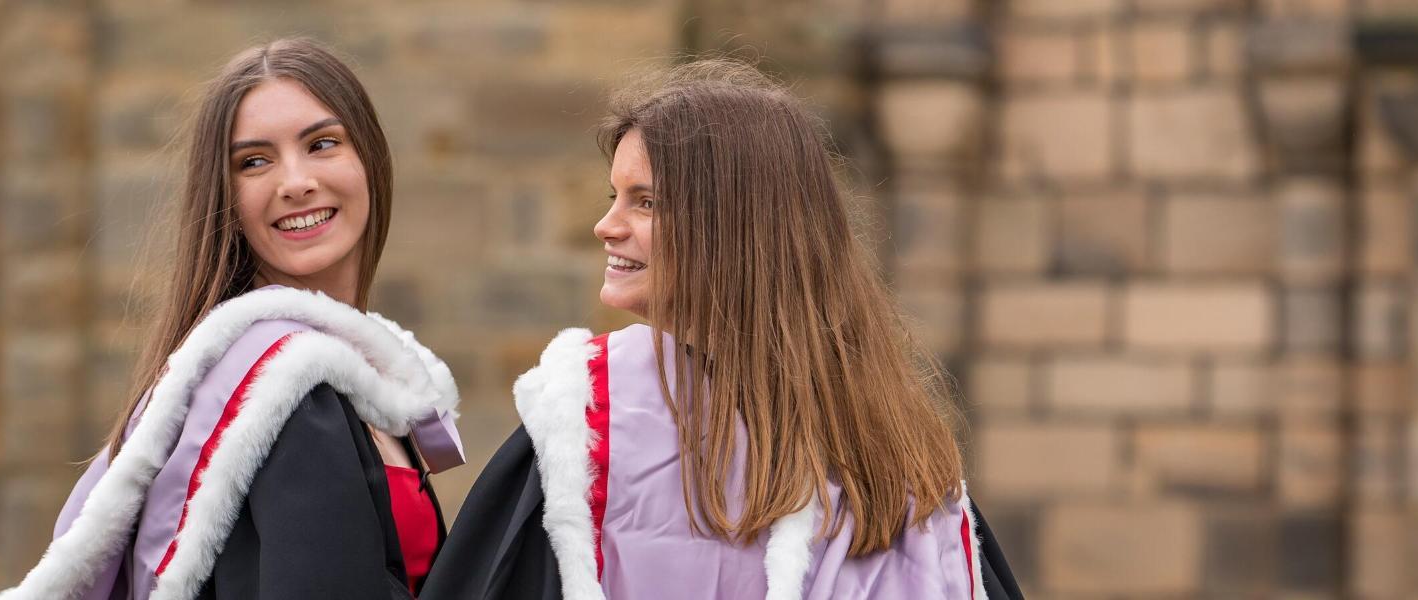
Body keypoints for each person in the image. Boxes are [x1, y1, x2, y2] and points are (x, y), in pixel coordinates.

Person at [422, 59, 1022, 600]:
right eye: (615, 196)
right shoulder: (899, 448)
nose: (606, 225)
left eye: (646, 202)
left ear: (733, 230)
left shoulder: (596, 418)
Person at [0, 38, 464, 600]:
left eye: (322, 144)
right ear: (225, 198)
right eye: (255, 161)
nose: (294, 182)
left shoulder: (353, 376)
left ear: (370, 159)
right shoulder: (289, 390)